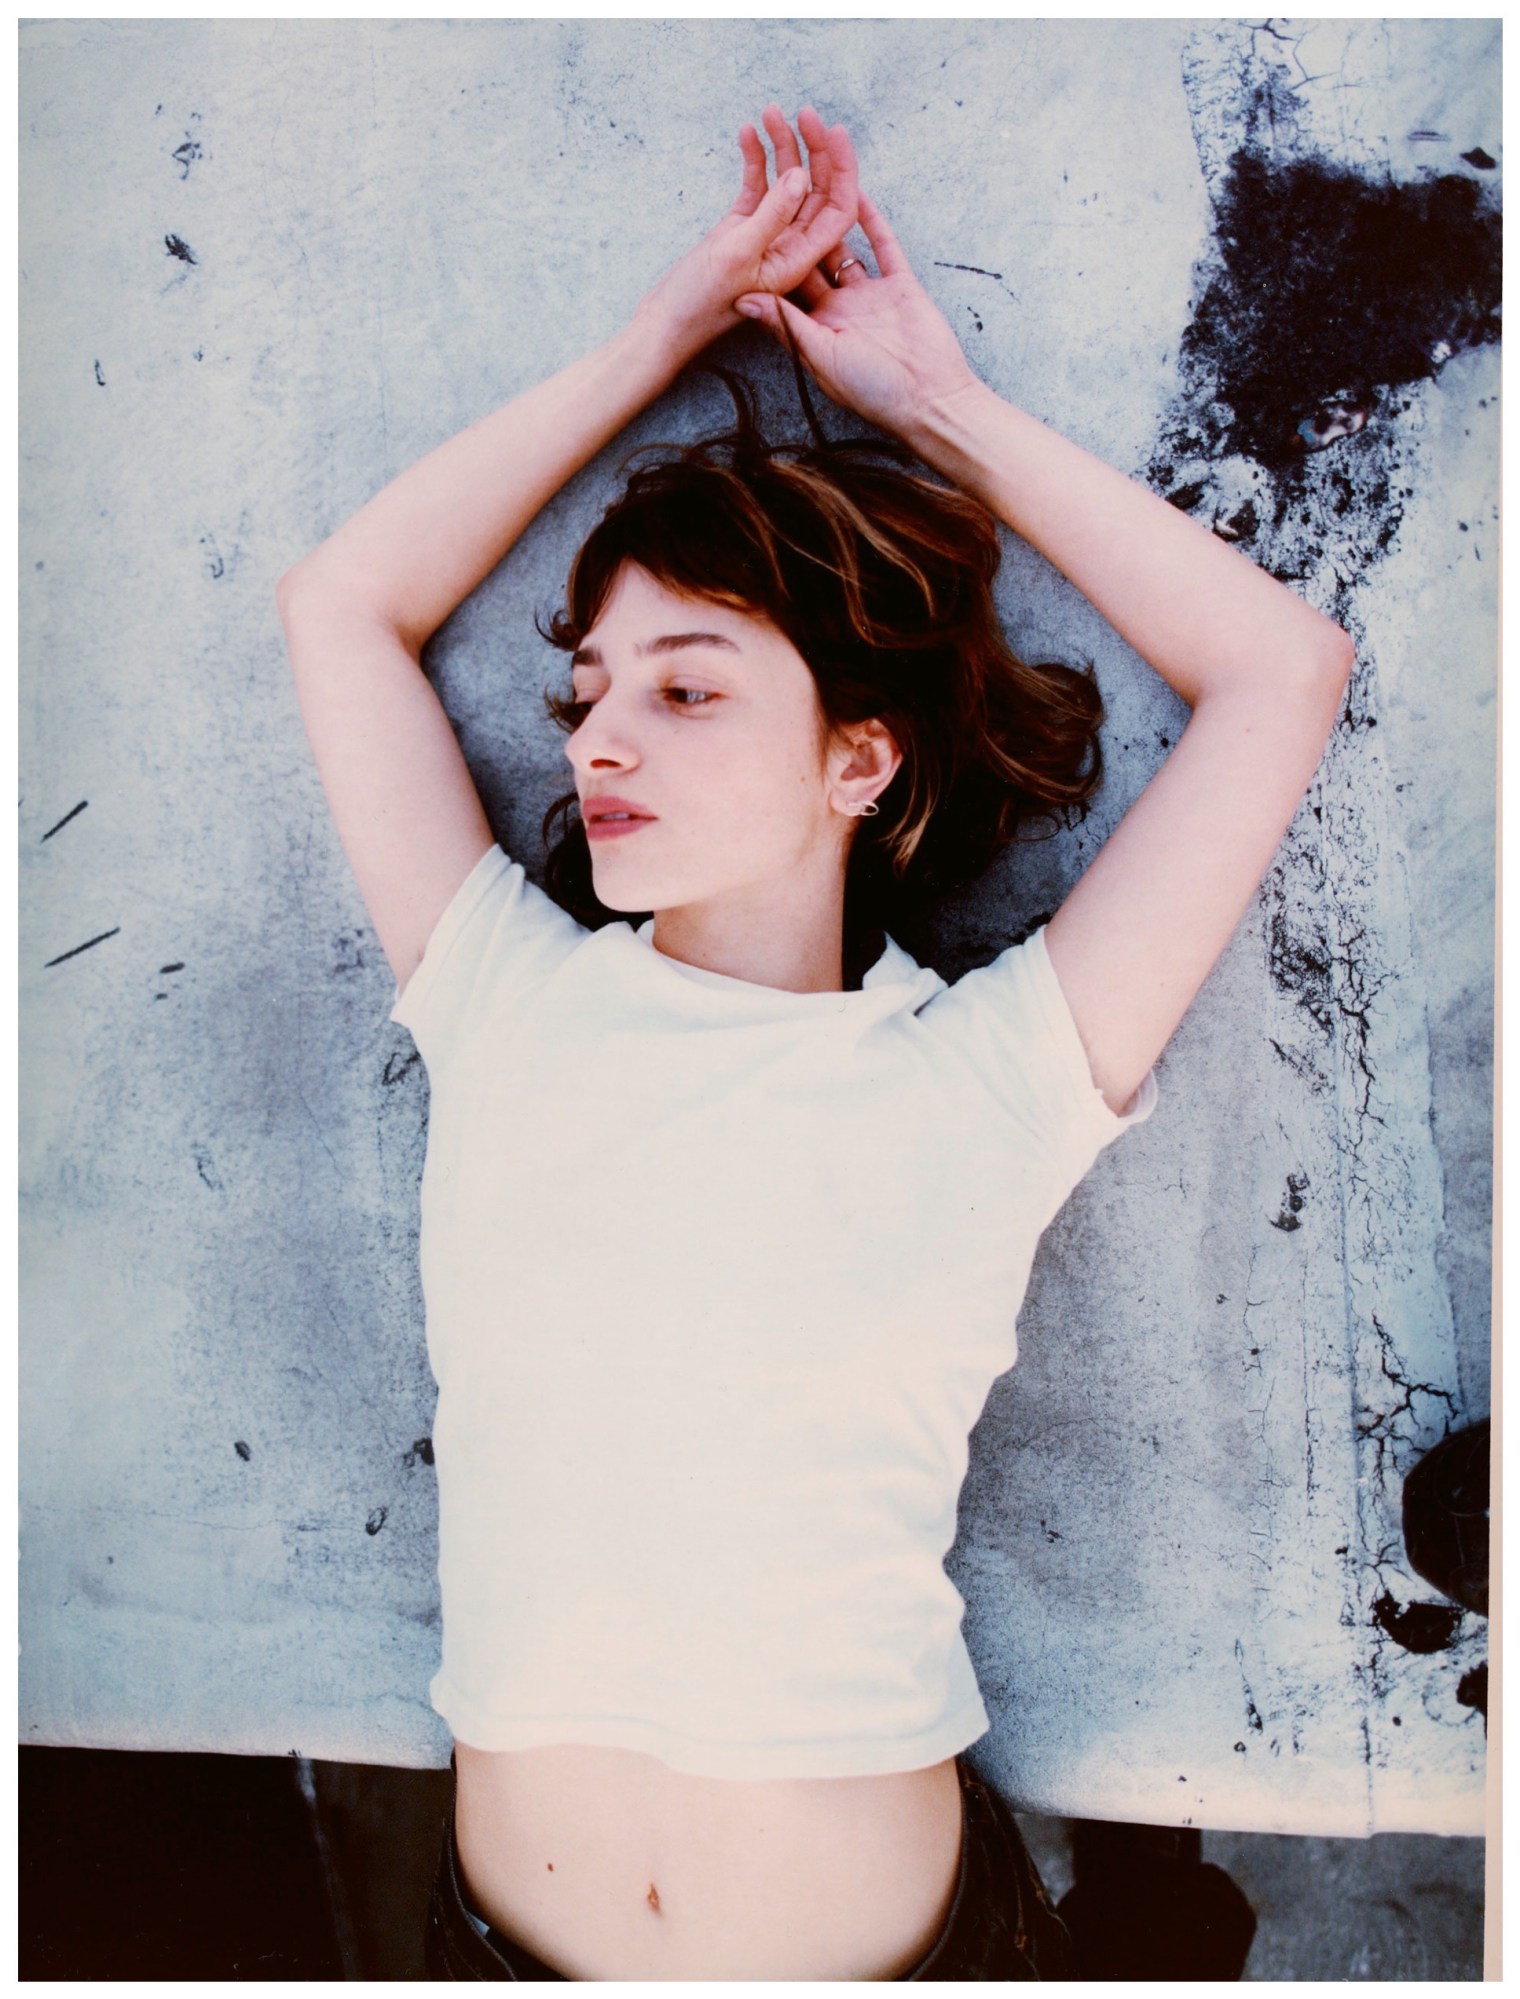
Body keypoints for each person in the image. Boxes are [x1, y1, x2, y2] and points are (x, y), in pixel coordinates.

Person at [277, 106, 1352, 1982]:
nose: (599, 739)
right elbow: (339, 607)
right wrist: (662, 335)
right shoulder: (509, 995)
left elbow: (1280, 673)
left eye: (690, 690)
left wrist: (937, 405)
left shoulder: (986, 1076)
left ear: (861, 760)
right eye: (593, 692)